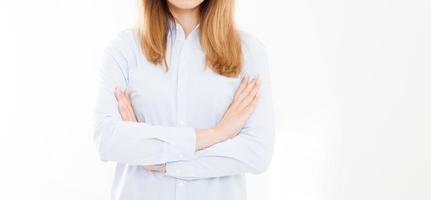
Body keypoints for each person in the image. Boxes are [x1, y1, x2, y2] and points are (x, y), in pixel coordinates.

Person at [93, 0, 276, 199]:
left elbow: (256, 153)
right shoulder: (125, 48)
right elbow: (108, 140)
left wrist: (161, 162)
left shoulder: (249, 52)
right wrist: (218, 133)